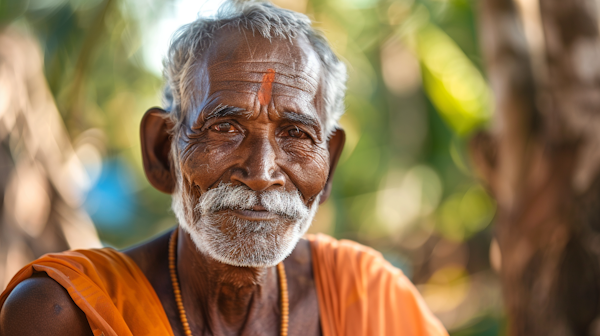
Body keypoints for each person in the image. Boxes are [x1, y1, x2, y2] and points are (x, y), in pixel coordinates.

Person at [0, 2, 448, 335]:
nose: (261, 172)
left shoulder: (368, 300)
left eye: (295, 133)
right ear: (161, 151)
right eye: (225, 127)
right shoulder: (60, 315)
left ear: (328, 165)